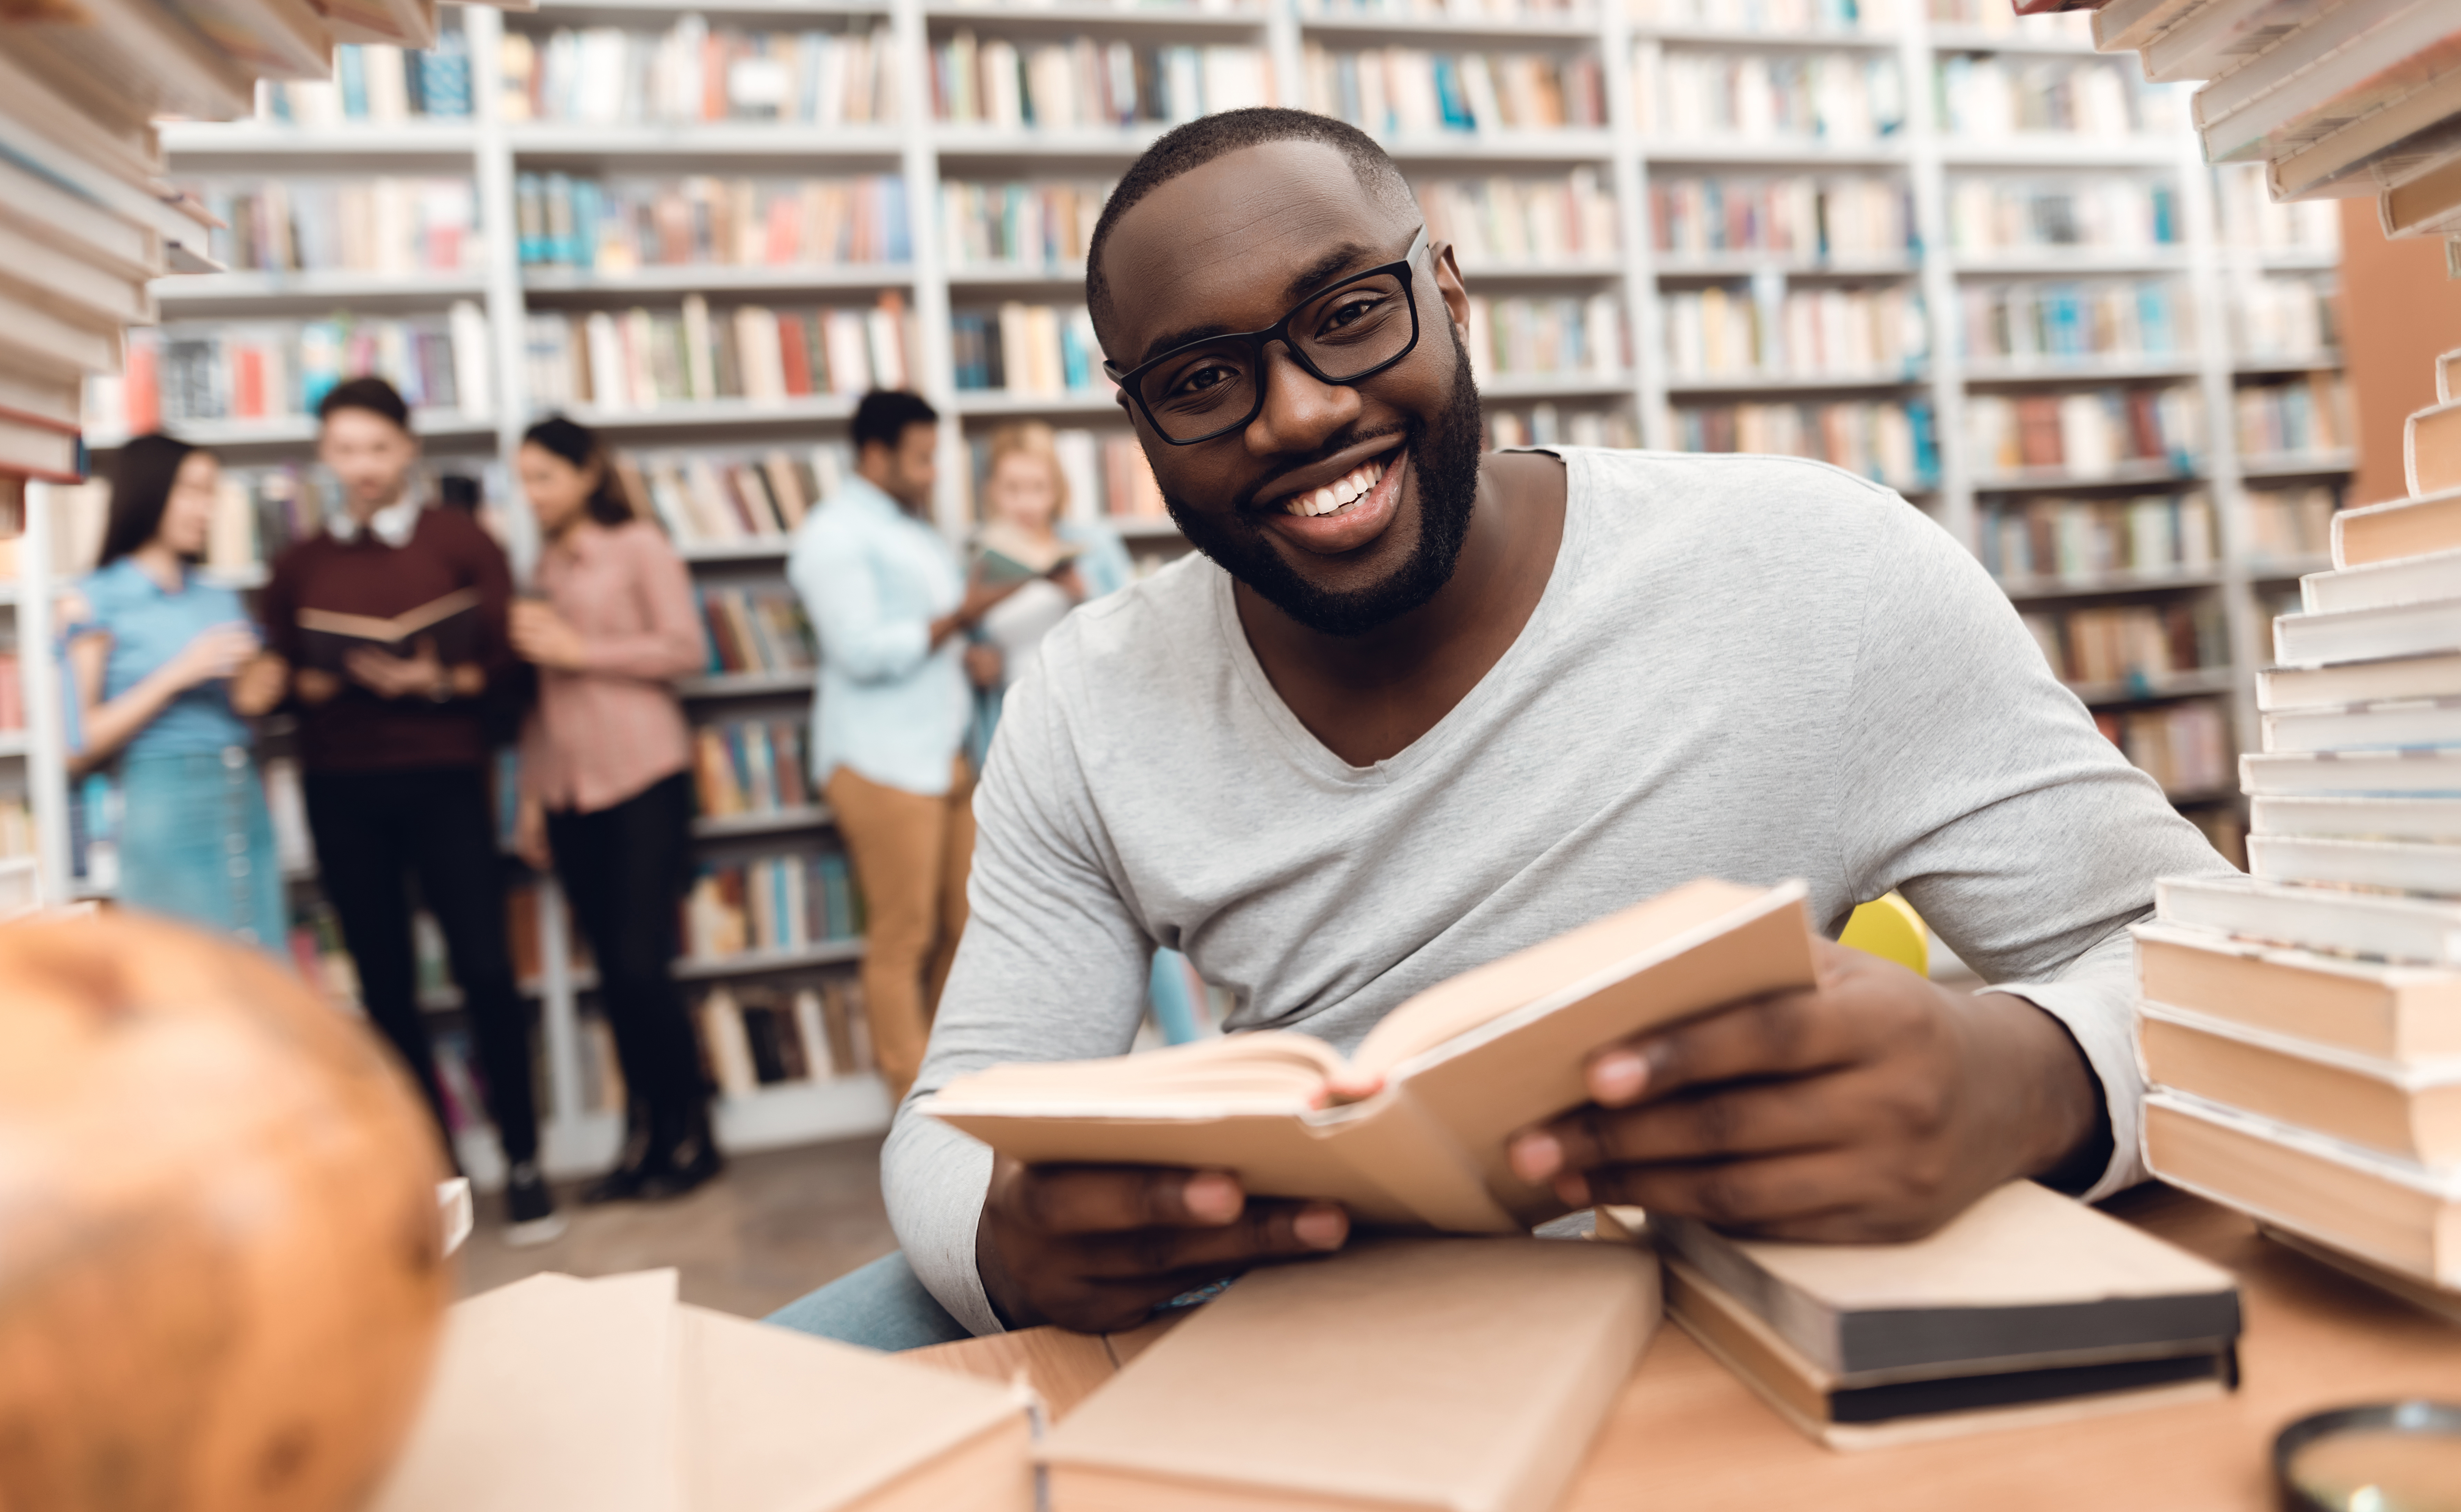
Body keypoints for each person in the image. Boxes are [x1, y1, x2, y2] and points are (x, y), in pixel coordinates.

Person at [801, 109, 2237, 1346]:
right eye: (1201, 381)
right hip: (1317, 1333)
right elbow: (955, 1115)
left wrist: (2025, 1081)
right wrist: (1008, 1247)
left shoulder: (1817, 565)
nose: (1299, 413)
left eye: (1350, 311)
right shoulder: (1086, 694)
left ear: (1448, 290)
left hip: (1738, 1311)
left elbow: (2227, 973)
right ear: (1136, 418)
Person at [255, 377, 561, 1244]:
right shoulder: (300, 561)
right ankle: (433, 1171)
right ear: (325, 456)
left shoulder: (462, 541)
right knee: (386, 986)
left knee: (486, 970)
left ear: (409, 450)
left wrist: (440, 678)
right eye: (345, 450)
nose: (362, 467)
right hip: (341, 784)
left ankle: (525, 1159)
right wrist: (311, 678)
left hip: (444, 776)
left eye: (377, 449)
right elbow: (281, 672)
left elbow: (509, 663)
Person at [787, 390, 1020, 1103]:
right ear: (874, 455)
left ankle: (956, 1088)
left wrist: (968, 650)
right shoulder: (832, 534)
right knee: (902, 938)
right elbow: (860, 651)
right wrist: (961, 617)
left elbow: (929, 636)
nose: (931, 473)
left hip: (941, 752)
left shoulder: (914, 530)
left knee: (965, 926)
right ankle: (916, 1108)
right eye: (919, 459)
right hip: (880, 760)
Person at [508, 415, 719, 1203]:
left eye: (543, 477)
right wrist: (530, 797)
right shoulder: (540, 565)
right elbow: (538, 694)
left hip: (641, 779)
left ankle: (692, 1133)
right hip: (568, 791)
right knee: (613, 979)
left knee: (642, 965)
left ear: (588, 474)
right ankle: (643, 1139)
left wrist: (581, 651)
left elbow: (685, 649)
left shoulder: (640, 546)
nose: (530, 494)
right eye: (522, 479)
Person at [62, 435, 289, 954]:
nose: (205, 508)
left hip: (243, 795)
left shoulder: (220, 597)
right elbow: (77, 747)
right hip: (165, 804)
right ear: (150, 491)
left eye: (212, 492)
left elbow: (245, 708)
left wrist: (262, 686)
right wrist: (178, 673)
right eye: (191, 491)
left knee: (262, 978)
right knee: (186, 985)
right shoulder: (92, 601)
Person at [964, 424, 1133, 768]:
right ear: (991, 491)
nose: (1025, 503)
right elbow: (973, 647)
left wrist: (1083, 592)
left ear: (1056, 490)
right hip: (1016, 726)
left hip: (1090, 719)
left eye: (1038, 488)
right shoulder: (980, 565)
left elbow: (1134, 625)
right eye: (1012, 489)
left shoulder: (1095, 545)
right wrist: (979, 660)